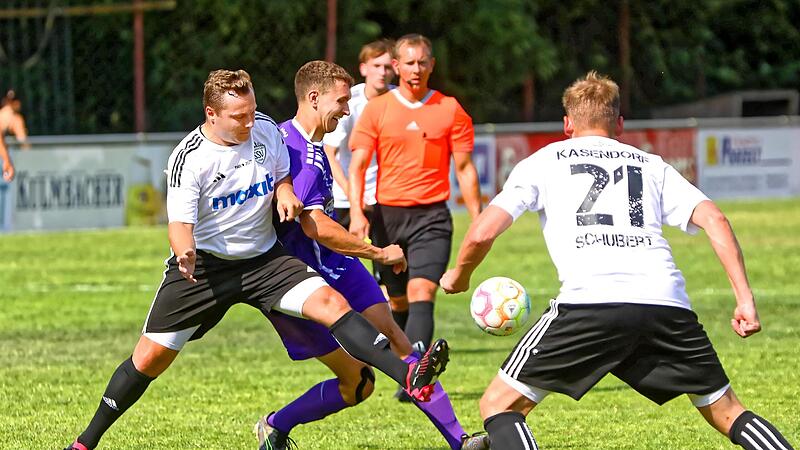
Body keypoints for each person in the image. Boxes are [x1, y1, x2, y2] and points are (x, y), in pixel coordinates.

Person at [63, 69, 449, 450]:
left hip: (266, 262)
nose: (249, 122)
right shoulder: (190, 158)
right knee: (150, 358)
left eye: (252, 111)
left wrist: (284, 192)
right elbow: (179, 225)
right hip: (206, 268)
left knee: (331, 302)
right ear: (211, 115)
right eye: (238, 117)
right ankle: (85, 442)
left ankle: (409, 374)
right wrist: (184, 251)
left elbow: (281, 174)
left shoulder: (264, 128)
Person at [440, 71, 795, 450]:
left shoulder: (543, 161)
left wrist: (460, 275)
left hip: (589, 303)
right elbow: (715, 220)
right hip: (665, 303)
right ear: (620, 123)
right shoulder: (651, 164)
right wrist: (745, 299)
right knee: (727, 411)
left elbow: (481, 232)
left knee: (498, 403)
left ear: (567, 124)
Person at [256, 60, 487, 450]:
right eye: (342, 101)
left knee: (400, 340)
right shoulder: (290, 151)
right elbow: (318, 228)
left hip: (340, 267)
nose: (347, 109)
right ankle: (276, 425)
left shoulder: (311, 147)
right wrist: (377, 252)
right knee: (359, 383)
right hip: (300, 281)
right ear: (314, 98)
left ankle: (460, 441)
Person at [348, 34, 481, 402]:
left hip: (432, 217)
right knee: (397, 302)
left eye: (422, 62)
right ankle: (410, 368)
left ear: (432, 65)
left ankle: (417, 380)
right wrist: (358, 212)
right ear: (396, 66)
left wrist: (478, 218)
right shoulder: (377, 110)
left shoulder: (450, 109)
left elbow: (465, 168)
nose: (416, 69)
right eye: (408, 62)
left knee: (423, 291)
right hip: (387, 219)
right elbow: (358, 165)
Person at [322, 38, 394, 231]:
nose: (382, 72)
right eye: (376, 65)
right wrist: (355, 199)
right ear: (363, 69)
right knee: (341, 259)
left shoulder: (399, 100)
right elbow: (330, 154)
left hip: (387, 197)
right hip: (346, 199)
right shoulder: (349, 103)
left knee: (390, 258)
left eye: (387, 66)